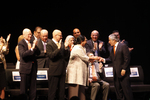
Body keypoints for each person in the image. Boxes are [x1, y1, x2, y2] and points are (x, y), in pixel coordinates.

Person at [66, 35, 100, 100]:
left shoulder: (82, 48)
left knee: (81, 94)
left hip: (79, 75)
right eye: (85, 40)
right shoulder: (77, 48)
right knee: (74, 94)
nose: (86, 42)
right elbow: (85, 58)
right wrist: (96, 58)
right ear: (82, 41)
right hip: (74, 76)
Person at [100, 34, 133, 100]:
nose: (109, 42)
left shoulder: (123, 46)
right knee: (118, 91)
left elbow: (127, 58)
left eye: (109, 40)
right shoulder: (113, 48)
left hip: (123, 73)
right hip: (116, 73)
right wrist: (103, 59)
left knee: (127, 91)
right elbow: (111, 59)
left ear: (114, 40)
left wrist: (124, 68)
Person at [46, 29, 70, 100]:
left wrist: (65, 48)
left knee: (61, 92)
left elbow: (65, 57)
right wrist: (58, 49)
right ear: (55, 35)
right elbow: (51, 56)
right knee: (52, 91)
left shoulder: (61, 43)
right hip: (54, 71)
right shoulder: (49, 44)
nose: (61, 37)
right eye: (60, 35)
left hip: (62, 70)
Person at [18, 28, 40, 100]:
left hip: (33, 68)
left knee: (33, 89)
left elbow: (38, 53)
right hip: (25, 69)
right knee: (23, 89)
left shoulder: (32, 42)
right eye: (29, 34)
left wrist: (35, 47)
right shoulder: (21, 43)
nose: (30, 36)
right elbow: (23, 55)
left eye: (31, 34)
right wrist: (32, 48)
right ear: (24, 35)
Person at [0, 34, 11, 100]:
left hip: (1, 66)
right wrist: (1, 44)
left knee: (2, 86)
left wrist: (7, 42)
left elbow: (6, 52)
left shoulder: (1, 41)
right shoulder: (1, 42)